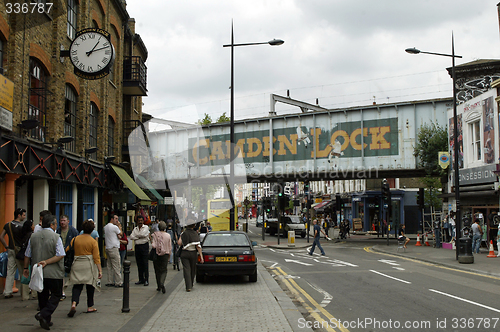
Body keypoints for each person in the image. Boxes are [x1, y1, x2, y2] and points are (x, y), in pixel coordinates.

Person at [23, 214, 65, 330]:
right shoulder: (56, 237)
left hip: (38, 272)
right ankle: (44, 314)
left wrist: (26, 268)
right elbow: (60, 254)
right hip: (54, 272)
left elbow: (27, 254)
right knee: (56, 294)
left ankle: (46, 319)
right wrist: (47, 261)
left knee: (42, 295)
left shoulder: (33, 237)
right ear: (51, 225)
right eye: (56, 223)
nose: (57, 225)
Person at [66, 219, 102, 317]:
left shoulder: (75, 239)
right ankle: (90, 306)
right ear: (92, 230)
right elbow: (96, 257)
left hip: (77, 263)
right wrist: (99, 270)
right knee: (90, 286)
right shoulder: (93, 241)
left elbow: (67, 250)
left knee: (77, 285)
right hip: (88, 264)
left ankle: (74, 303)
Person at [0, 207, 29, 300]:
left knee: (10, 271)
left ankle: (7, 291)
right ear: (19, 215)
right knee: (22, 271)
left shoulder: (7, 225)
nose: (24, 217)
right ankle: (24, 292)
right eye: (23, 215)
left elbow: (1, 237)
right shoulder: (21, 227)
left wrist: (6, 246)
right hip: (19, 251)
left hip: (11, 250)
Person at [56, 215, 79, 300]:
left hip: (70, 254)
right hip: (60, 254)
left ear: (68, 221)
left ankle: (74, 290)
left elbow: (77, 241)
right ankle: (62, 291)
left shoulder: (73, 231)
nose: (62, 222)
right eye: (61, 221)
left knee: (72, 273)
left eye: (64, 220)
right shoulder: (57, 231)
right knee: (60, 273)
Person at [178, 221, 203, 291]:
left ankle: (188, 286)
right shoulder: (195, 234)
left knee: (186, 269)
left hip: (184, 253)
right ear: (194, 226)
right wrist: (201, 256)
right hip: (193, 253)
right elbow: (198, 246)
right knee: (193, 269)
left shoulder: (183, 233)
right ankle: (191, 283)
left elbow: (179, 243)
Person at [151, 221, 172, 294]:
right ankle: (162, 282)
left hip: (157, 254)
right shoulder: (168, 235)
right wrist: (169, 256)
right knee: (164, 270)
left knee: (157, 270)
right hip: (165, 254)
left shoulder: (155, 235)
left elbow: (153, 245)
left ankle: (159, 286)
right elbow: (170, 247)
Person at [129, 215, 150, 286]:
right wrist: (139, 236)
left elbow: (144, 234)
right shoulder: (135, 229)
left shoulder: (146, 227)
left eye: (141, 221)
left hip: (144, 246)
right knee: (139, 263)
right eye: (139, 221)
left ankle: (146, 279)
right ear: (137, 222)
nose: (140, 222)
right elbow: (131, 236)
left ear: (143, 221)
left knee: (145, 263)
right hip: (137, 247)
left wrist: (136, 236)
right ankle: (141, 279)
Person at [104, 214, 123, 287]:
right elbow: (120, 234)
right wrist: (120, 227)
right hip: (114, 248)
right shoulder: (114, 227)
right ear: (112, 219)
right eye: (116, 218)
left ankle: (110, 281)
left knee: (109, 266)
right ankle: (118, 282)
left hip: (108, 247)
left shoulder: (105, 227)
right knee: (116, 265)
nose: (117, 220)